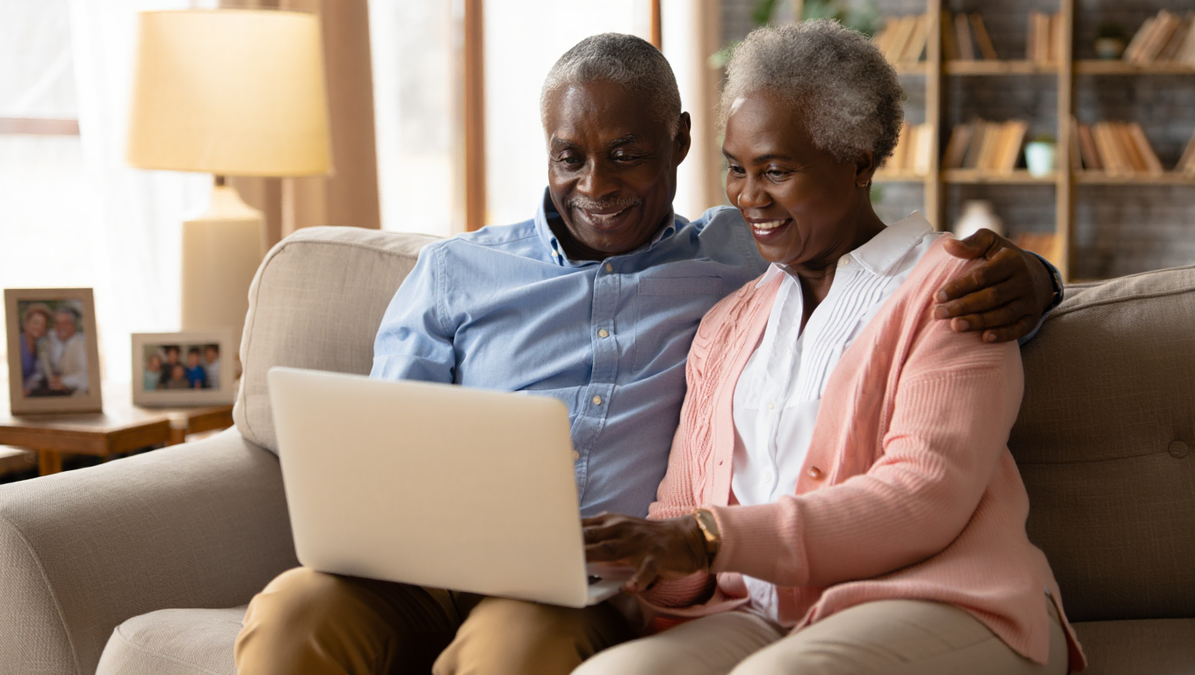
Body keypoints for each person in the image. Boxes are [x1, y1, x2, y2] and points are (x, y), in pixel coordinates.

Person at [234, 32, 1064, 675]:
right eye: (570, 156)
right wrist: (674, 556)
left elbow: (916, 450)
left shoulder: (742, 259)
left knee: (514, 647)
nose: (595, 184)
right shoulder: (733, 307)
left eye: (627, 154)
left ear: (676, 143)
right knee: (292, 613)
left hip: (587, 587)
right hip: (433, 567)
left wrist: (1036, 277)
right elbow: (388, 442)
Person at [577, 22, 1084, 675]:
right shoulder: (728, 323)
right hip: (761, 615)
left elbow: (920, 493)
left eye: (777, 170)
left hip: (942, 600)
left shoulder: (955, 287)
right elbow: (681, 510)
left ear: (860, 161)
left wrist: (703, 538)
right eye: (736, 168)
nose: (749, 198)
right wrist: (634, 559)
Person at [42, 305, 89, 396]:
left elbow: (85, 375)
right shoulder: (51, 339)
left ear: (73, 325)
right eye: (57, 323)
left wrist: (63, 381)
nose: (61, 327)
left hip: (76, 393)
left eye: (66, 323)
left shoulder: (82, 343)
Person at [18, 303, 52, 397]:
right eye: (36, 323)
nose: (39, 328)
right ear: (26, 323)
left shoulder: (40, 346)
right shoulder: (17, 343)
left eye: (43, 325)